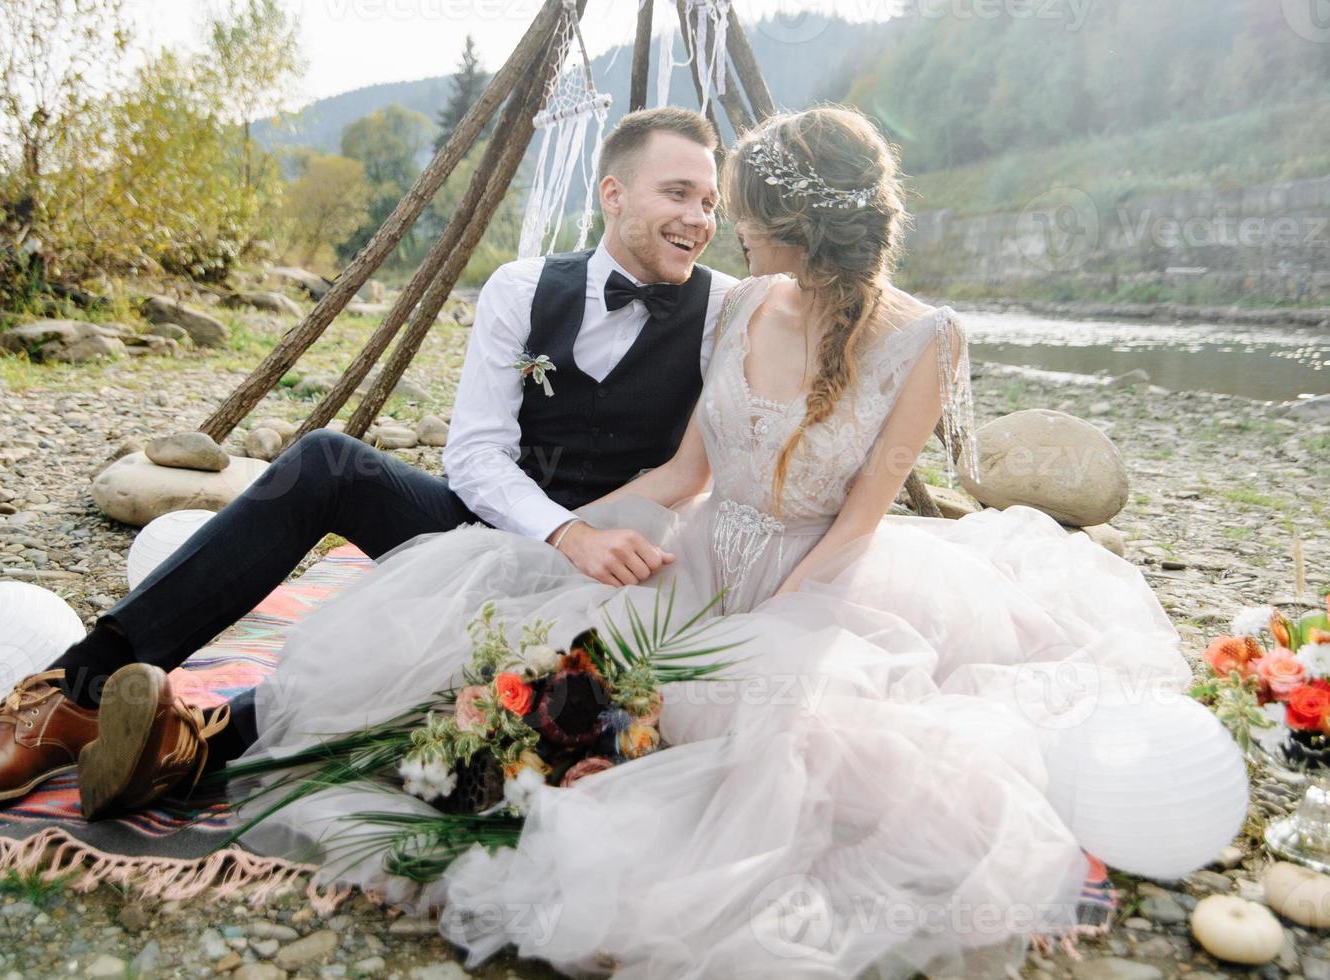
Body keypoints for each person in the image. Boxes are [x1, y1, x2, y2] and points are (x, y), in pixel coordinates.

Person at [71, 106, 1219, 977]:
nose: (714, 218)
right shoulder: (693, 302)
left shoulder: (909, 339)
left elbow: (861, 518)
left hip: (816, 588)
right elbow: (663, 472)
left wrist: (754, 637)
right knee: (513, 643)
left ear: (785, 217)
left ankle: (258, 746)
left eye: (728, 202)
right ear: (617, 193)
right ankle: (127, 709)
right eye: (689, 194)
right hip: (662, 540)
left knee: (630, 725)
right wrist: (575, 541)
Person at [0, 106, 737, 813]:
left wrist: (592, 546)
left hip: (612, 578)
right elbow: (476, 458)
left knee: (426, 682)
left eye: (709, 201)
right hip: (501, 526)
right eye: (678, 193)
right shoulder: (521, 287)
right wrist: (560, 532)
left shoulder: (725, 310)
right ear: (614, 193)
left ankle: (187, 744)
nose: (699, 219)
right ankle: (71, 698)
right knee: (325, 460)